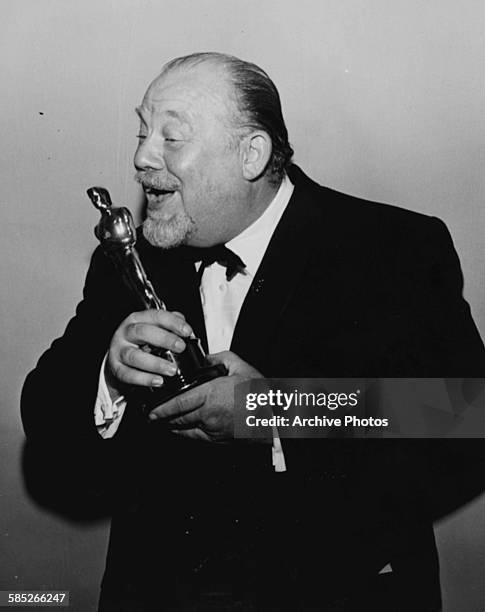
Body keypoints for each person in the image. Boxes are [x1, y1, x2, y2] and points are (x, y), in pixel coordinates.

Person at [21, 52, 485, 611]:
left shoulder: (394, 248)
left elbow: (465, 415)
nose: (141, 158)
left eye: (171, 138)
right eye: (143, 132)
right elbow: (42, 412)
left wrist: (274, 409)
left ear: (251, 154)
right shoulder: (129, 258)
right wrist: (109, 378)